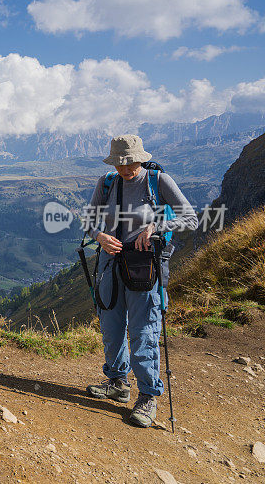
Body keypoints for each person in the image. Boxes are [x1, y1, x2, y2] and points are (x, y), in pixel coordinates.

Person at [84, 134, 197, 427]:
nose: (125, 169)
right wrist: (100, 236)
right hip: (110, 263)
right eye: (120, 164)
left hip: (145, 268)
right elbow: (89, 221)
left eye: (130, 163)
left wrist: (157, 226)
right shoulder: (107, 183)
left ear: (141, 158)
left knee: (143, 329)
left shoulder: (159, 182)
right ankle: (117, 382)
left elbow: (191, 219)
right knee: (110, 325)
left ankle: (148, 396)